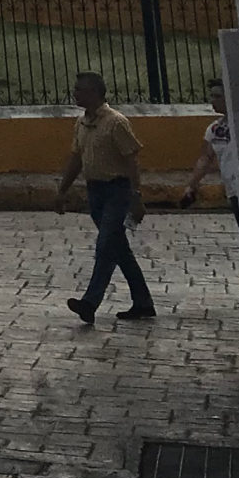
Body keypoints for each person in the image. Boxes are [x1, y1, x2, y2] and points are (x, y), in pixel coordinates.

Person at [57, 70, 156, 325]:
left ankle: (90, 302)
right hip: (96, 192)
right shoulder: (81, 123)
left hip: (117, 191)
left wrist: (136, 196)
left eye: (80, 89)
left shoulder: (115, 122)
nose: (75, 93)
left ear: (94, 92)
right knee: (119, 249)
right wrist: (62, 190)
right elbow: (76, 158)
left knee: (105, 247)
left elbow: (132, 159)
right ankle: (143, 302)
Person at [180, 78, 239, 225]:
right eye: (212, 96)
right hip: (232, 189)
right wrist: (192, 185)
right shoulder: (215, 129)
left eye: (218, 96)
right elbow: (206, 158)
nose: (213, 100)